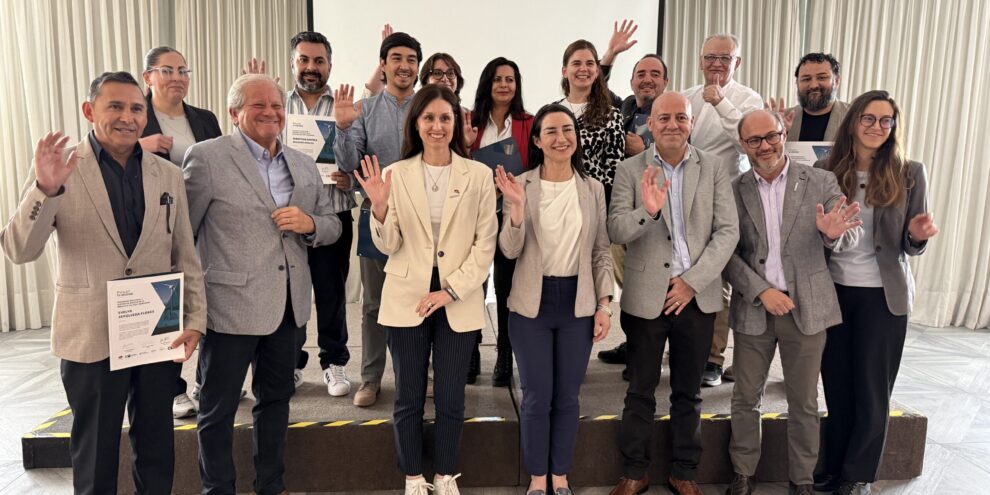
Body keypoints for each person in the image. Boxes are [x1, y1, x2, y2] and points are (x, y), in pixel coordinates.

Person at [1, 71, 206, 494]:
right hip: (89, 333)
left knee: (157, 445)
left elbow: (185, 252)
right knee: (95, 450)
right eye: (115, 106)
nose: (127, 117)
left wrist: (195, 319)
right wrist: (45, 189)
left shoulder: (167, 174)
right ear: (89, 110)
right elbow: (19, 250)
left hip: (154, 330)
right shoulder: (60, 168)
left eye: (136, 109)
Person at [185, 74, 341, 495]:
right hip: (228, 308)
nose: (271, 112)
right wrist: (189, 307)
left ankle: (271, 485)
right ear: (234, 113)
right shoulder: (207, 157)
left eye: (276, 105)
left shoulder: (303, 163)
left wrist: (310, 224)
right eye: (259, 105)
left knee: (275, 404)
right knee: (216, 411)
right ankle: (218, 490)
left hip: (287, 308)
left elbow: (332, 225)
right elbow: (184, 235)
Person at [356, 84, 497, 495]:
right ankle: (414, 477)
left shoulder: (478, 175)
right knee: (409, 396)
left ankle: (445, 474)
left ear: (458, 124)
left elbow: (485, 244)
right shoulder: (396, 174)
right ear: (415, 123)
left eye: (445, 118)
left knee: (451, 397)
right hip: (407, 297)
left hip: (458, 297)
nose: (437, 126)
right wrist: (379, 209)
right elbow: (389, 245)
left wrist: (450, 291)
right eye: (429, 118)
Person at [724, 109, 863, 495]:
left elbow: (849, 231)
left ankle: (801, 480)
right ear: (743, 145)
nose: (765, 146)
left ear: (783, 134)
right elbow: (726, 254)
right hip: (754, 306)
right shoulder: (733, 189)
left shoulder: (820, 180)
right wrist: (761, 291)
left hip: (807, 308)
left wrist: (833, 235)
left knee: (804, 401)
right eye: (755, 140)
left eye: (771, 136)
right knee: (745, 397)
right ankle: (743, 473)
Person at [607, 92, 738, 495]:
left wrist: (691, 281)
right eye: (663, 117)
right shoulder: (629, 169)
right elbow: (615, 229)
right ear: (651, 123)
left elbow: (727, 231)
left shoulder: (713, 167)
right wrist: (648, 211)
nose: (672, 124)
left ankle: (685, 471)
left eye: (681, 117)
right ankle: (635, 471)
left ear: (692, 123)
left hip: (696, 296)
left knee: (689, 392)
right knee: (639, 391)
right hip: (646, 296)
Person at [814, 90, 939, 495]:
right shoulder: (824, 169)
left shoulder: (910, 172)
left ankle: (858, 476)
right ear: (853, 122)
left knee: (872, 392)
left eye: (886, 120)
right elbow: (811, 236)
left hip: (883, 298)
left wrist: (916, 237)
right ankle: (832, 467)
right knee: (837, 385)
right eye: (869, 118)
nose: (877, 127)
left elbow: (911, 243)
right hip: (834, 292)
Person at [496, 103, 613, 495]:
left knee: (567, 396)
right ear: (537, 140)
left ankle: (560, 475)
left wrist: (604, 304)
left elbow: (600, 251)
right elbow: (509, 250)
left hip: (578, 303)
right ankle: (537, 476)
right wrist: (516, 209)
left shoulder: (592, 188)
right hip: (531, 304)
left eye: (567, 130)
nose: (561, 138)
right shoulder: (521, 185)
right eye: (551, 131)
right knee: (536, 396)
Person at [333, 32, 422, 407]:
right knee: (373, 304)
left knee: (418, 299)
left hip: (421, 218)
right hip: (376, 213)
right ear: (383, 64)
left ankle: (414, 377)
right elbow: (347, 164)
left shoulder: (428, 106)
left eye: (412, 59)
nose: (405, 66)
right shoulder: (364, 110)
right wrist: (342, 128)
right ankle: (370, 379)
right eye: (397, 58)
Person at [136, 46, 223, 419]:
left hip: (204, 223)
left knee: (207, 301)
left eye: (183, 70)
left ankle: (208, 380)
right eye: (167, 70)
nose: (177, 78)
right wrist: (141, 147)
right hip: (155, 226)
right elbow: (107, 154)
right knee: (167, 304)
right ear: (148, 77)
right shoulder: (136, 117)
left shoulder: (204, 119)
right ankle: (173, 388)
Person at [682, 33, 763, 387]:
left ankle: (713, 358)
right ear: (700, 60)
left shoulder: (748, 99)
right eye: (710, 57)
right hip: (686, 199)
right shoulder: (687, 96)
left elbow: (747, 144)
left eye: (724, 58)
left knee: (719, 280)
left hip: (727, 200)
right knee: (688, 274)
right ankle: (689, 349)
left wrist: (720, 103)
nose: (716, 64)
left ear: (737, 63)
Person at [283, 31, 358, 398]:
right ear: (293, 63)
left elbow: (358, 158)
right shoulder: (279, 105)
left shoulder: (346, 106)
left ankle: (334, 362)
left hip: (334, 212)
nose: (311, 67)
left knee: (332, 294)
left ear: (329, 65)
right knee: (290, 295)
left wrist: (350, 176)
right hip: (288, 215)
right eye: (304, 60)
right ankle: (291, 364)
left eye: (319, 61)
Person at [597, 53, 670, 371]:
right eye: (641, 73)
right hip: (622, 212)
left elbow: (682, 154)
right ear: (631, 81)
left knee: (652, 286)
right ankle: (635, 345)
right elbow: (596, 87)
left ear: (665, 82)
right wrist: (610, 55)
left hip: (658, 218)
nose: (647, 79)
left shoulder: (671, 112)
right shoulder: (624, 108)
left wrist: (646, 151)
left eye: (655, 74)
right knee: (629, 286)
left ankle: (650, 354)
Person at [469, 57, 535, 387]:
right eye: (498, 79)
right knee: (473, 284)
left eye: (510, 79)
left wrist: (511, 187)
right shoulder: (470, 122)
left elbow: (535, 167)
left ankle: (504, 353)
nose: (504, 85)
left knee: (505, 286)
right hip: (475, 214)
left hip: (512, 214)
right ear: (487, 83)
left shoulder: (529, 123)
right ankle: (470, 350)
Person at [556, 40, 625, 207]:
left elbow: (614, 172)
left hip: (593, 204)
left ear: (597, 71)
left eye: (589, 63)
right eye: (576, 63)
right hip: (554, 198)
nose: (583, 69)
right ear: (565, 71)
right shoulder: (551, 113)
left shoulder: (611, 115)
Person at [766, 52, 850, 142]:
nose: (813, 85)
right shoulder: (781, 119)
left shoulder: (853, 117)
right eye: (806, 79)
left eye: (821, 78)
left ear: (836, 81)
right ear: (797, 83)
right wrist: (773, 133)